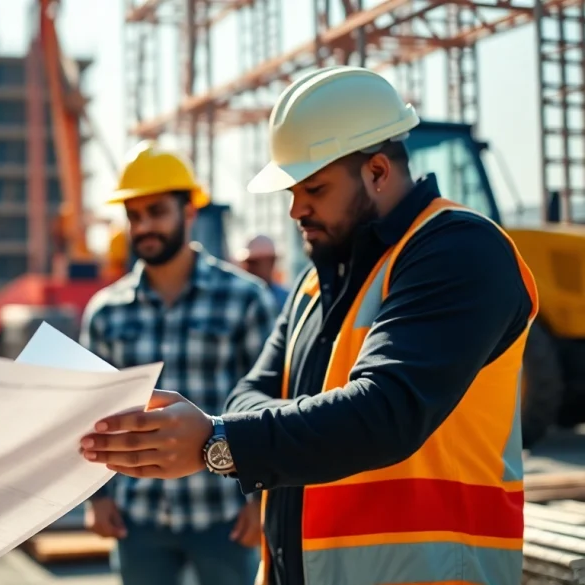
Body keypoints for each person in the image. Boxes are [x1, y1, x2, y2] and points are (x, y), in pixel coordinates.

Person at [77, 65, 538, 585]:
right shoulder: (316, 285)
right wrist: (260, 429)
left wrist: (216, 442)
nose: (296, 208)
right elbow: (248, 396)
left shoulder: (458, 252)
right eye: (292, 190)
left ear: (378, 172)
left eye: (314, 188)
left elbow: (385, 412)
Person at [79, 141, 276, 585]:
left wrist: (260, 499)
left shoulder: (244, 298)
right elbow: (91, 415)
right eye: (134, 215)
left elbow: (269, 401)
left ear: (189, 213)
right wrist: (98, 499)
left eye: (157, 211)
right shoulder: (105, 312)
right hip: (138, 515)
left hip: (223, 512)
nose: (144, 225)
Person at [240, 235, 289, 312]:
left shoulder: (286, 300)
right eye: (247, 262)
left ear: (272, 262)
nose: (248, 267)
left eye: (254, 262)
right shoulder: (236, 296)